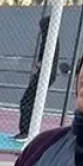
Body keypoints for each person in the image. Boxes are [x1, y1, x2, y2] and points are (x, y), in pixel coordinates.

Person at [16, 14, 62, 142]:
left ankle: (26, 132)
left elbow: (47, 58)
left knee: (26, 101)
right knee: (30, 101)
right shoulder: (50, 39)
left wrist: (40, 65)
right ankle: (28, 131)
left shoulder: (50, 39)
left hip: (46, 75)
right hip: (44, 74)